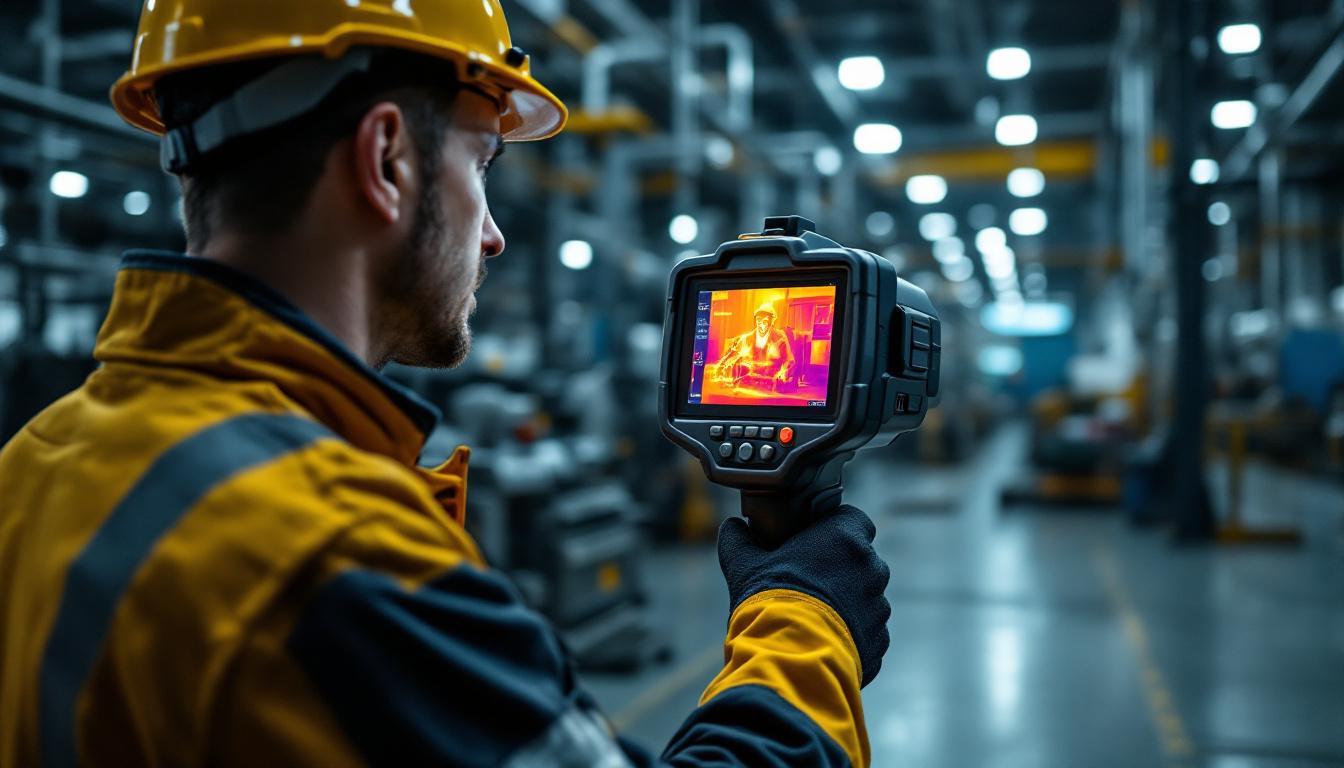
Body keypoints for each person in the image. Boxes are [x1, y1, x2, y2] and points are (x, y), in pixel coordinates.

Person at [0, 2, 891, 766]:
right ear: (387, 158)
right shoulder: (333, 555)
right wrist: (806, 618)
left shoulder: (36, 461)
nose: (494, 234)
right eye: (482, 163)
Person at [714, 303, 797, 392]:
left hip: (771, 382)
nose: (761, 325)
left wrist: (782, 375)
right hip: (748, 382)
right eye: (758, 320)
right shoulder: (746, 338)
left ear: (772, 321)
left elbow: (789, 361)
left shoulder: (780, 338)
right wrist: (720, 368)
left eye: (765, 321)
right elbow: (730, 355)